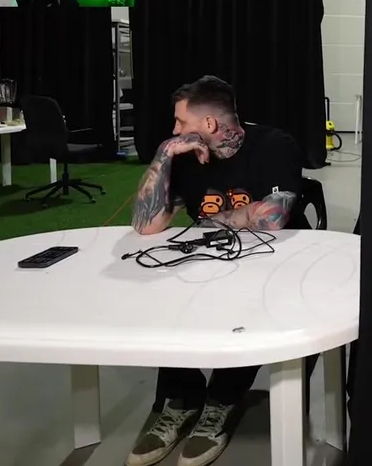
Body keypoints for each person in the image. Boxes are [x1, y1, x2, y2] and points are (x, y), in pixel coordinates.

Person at [126, 76, 306, 466]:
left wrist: (212, 223)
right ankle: (182, 399)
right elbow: (146, 225)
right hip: (215, 258)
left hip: (277, 263)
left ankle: (221, 402)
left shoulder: (274, 145)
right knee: (166, 298)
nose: (175, 130)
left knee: (250, 306)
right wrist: (163, 155)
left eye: (180, 122)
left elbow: (273, 218)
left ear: (208, 124)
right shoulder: (185, 157)